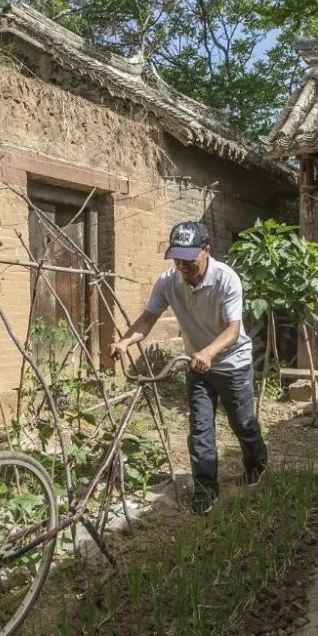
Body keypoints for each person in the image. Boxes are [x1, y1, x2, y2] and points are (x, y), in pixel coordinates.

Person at [108, 220, 267, 514]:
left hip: (232, 363)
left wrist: (207, 352)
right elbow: (148, 318)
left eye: (189, 259)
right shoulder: (168, 281)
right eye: (177, 259)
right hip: (198, 366)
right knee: (200, 431)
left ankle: (257, 466)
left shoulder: (226, 279)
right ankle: (207, 491)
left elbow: (233, 330)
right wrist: (124, 342)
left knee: (243, 423)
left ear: (206, 251)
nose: (183, 266)